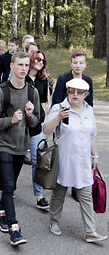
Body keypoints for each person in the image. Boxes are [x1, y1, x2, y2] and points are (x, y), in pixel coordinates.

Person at [43, 78, 108, 243]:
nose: (75, 95)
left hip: (83, 161)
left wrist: (95, 155)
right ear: (68, 92)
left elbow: (92, 135)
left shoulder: (88, 110)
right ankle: (54, 221)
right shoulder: (60, 108)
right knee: (59, 194)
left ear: (85, 95)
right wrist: (58, 117)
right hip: (64, 159)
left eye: (79, 92)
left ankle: (90, 231)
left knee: (86, 195)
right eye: (72, 91)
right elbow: (46, 129)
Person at [0, 51, 40, 246]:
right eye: (20, 65)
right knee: (8, 186)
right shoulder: (1, 92)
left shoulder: (32, 92)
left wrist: (29, 115)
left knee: (10, 186)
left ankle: (1, 213)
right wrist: (11, 120)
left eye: (26, 65)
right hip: (4, 146)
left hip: (21, 147)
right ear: (11, 66)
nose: (24, 69)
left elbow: (37, 123)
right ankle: (14, 227)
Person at [51, 50, 94, 202]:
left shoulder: (88, 80)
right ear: (71, 63)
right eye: (75, 62)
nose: (78, 66)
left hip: (82, 120)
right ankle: (61, 185)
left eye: (81, 63)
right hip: (65, 119)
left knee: (80, 155)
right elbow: (56, 100)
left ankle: (77, 187)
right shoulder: (63, 79)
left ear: (85, 64)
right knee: (65, 157)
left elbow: (90, 103)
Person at [26, 51, 50, 210]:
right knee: (14, 158)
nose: (41, 62)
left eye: (43, 60)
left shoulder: (43, 81)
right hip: (20, 124)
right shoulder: (23, 78)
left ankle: (39, 195)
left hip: (37, 125)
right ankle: (8, 189)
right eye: (38, 59)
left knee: (37, 160)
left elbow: (45, 103)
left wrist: (45, 123)